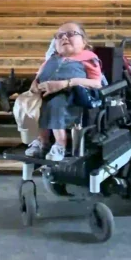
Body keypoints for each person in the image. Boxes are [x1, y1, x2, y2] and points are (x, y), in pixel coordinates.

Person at [24, 22, 103, 162]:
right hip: (44, 92)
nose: (64, 38)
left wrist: (66, 83)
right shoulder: (53, 58)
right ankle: (42, 140)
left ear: (84, 42)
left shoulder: (88, 59)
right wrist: (34, 84)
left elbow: (96, 83)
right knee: (32, 104)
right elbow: (39, 75)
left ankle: (60, 143)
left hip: (71, 95)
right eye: (59, 36)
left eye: (71, 34)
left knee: (56, 104)